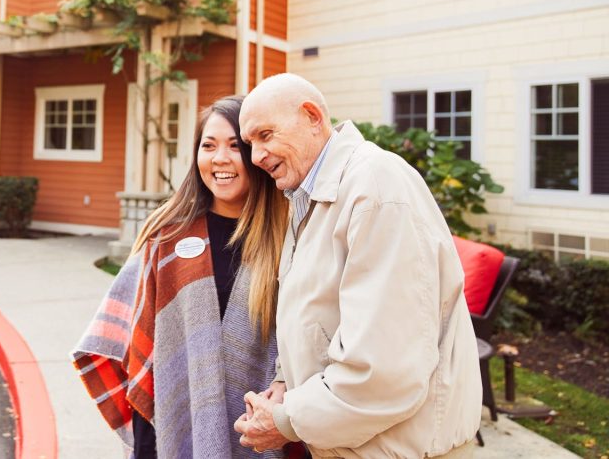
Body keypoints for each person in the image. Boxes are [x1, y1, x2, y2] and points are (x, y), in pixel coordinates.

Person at [233, 73, 481, 458]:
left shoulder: (376, 187)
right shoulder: (307, 197)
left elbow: (382, 372)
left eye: (265, 135)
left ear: (313, 117)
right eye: (250, 143)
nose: (255, 157)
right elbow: (315, 318)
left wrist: (285, 421)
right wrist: (285, 382)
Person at [73, 95, 290, 458]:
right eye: (208, 146)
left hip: (261, 432)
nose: (220, 158)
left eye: (235, 146)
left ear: (256, 156)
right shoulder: (167, 238)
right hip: (173, 435)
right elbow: (144, 357)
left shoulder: (285, 240)